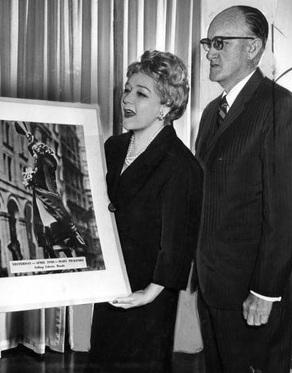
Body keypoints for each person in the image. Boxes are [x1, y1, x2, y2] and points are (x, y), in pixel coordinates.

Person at [195, 5, 292, 372]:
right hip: (215, 287)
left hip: (253, 292)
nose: (210, 53)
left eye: (220, 43)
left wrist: (264, 292)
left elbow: (290, 212)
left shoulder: (281, 108)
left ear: (252, 48)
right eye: (207, 43)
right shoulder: (212, 111)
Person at [87, 50, 203, 372]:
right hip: (111, 285)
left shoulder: (182, 165)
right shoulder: (113, 147)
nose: (127, 99)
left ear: (166, 106)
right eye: (127, 90)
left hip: (147, 294)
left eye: (141, 93)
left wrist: (149, 294)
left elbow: (179, 241)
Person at [16, 122, 87, 259]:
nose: (33, 155)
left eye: (35, 152)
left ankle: (68, 254)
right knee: (45, 227)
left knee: (53, 226)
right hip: (41, 198)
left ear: (41, 153)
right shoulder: (44, 161)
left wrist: (32, 179)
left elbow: (47, 181)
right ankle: (61, 257)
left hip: (46, 197)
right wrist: (30, 138)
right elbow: (36, 149)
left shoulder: (46, 163)